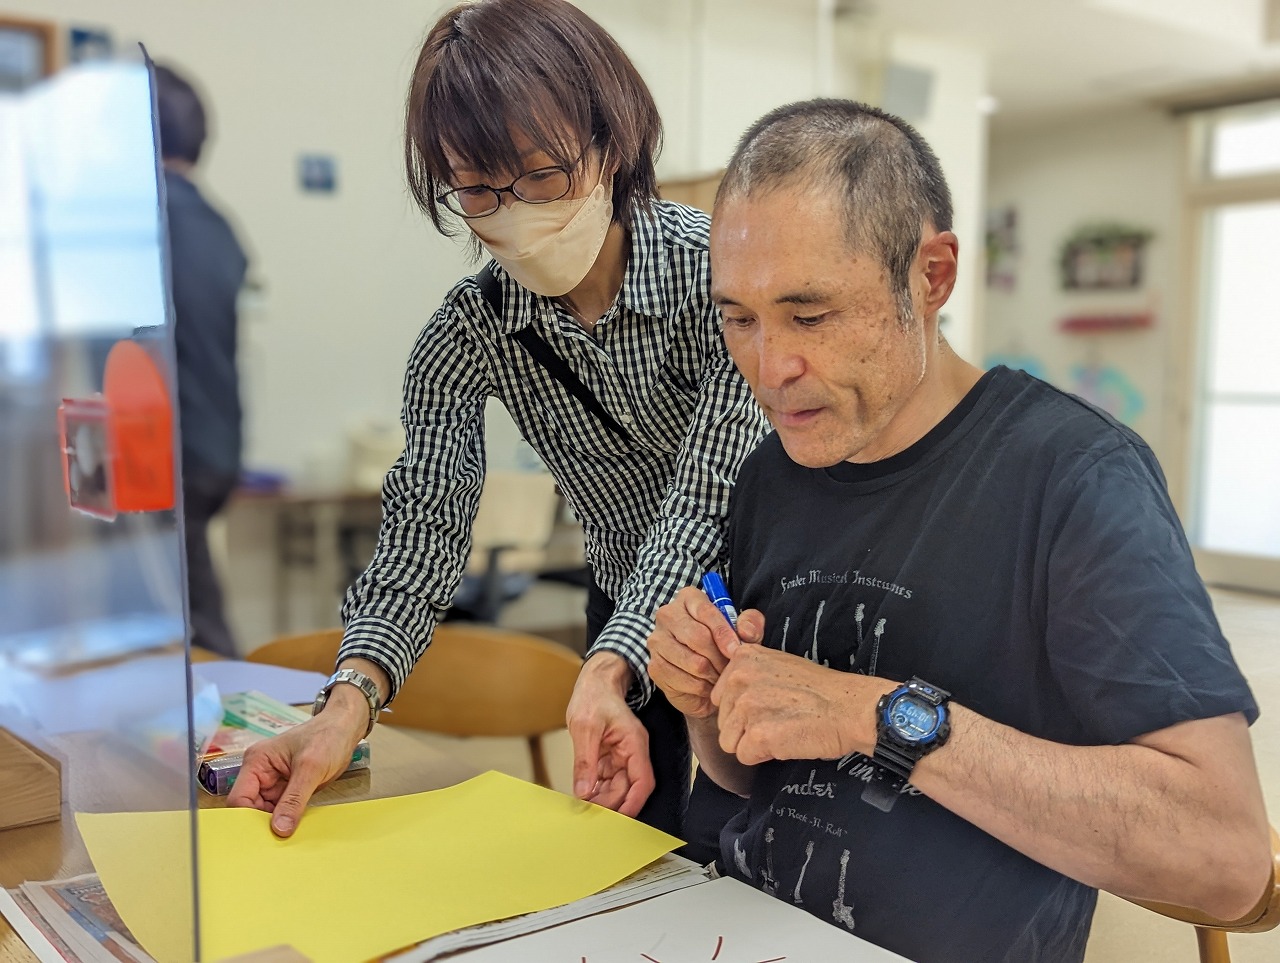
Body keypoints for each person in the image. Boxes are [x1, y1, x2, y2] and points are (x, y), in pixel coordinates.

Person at [647, 98, 1271, 963]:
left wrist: (880, 714)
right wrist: (712, 703)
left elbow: (1224, 858)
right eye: (739, 318)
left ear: (930, 277)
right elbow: (754, 780)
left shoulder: (1073, 477)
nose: (769, 366)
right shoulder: (770, 473)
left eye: (811, 314)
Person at [227, 0, 765, 854]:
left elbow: (705, 500)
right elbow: (422, 533)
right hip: (625, 613)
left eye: (543, 174)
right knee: (632, 854)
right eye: (477, 189)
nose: (513, 212)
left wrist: (608, 662)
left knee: (761, 856)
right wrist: (343, 709)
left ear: (611, 141)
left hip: (764, 613)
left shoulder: (728, 277)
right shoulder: (465, 334)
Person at [156, 64, 248, 659]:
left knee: (188, 625)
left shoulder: (146, 220)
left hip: (169, 453)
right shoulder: (219, 227)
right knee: (191, 606)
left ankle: (244, 741)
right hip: (215, 449)